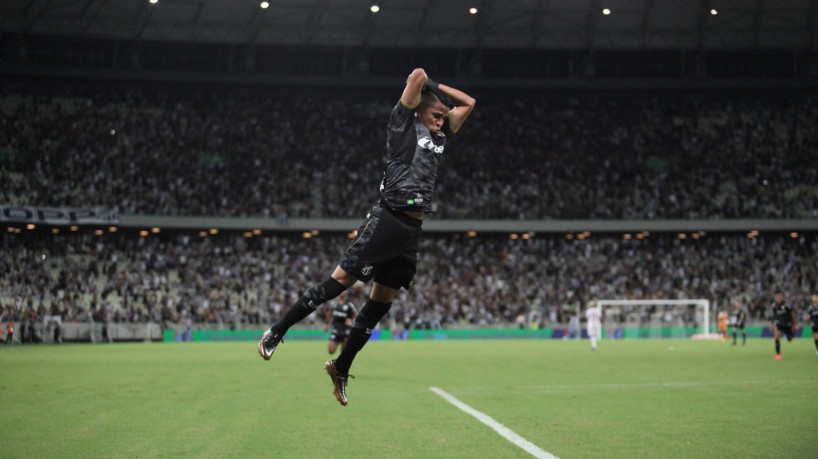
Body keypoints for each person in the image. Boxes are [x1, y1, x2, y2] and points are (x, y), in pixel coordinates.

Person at [257, 68, 476, 406]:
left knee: (380, 305)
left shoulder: (441, 133)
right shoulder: (403, 123)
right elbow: (417, 75)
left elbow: (470, 103)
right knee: (339, 283)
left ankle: (341, 368)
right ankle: (276, 331)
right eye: (436, 114)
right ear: (418, 108)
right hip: (388, 219)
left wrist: (442, 102)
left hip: (411, 232)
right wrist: (429, 89)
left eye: (443, 117)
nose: (440, 120)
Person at [323, 290, 358, 355]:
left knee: (344, 353)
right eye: (341, 290)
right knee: (331, 350)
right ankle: (337, 342)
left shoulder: (350, 304)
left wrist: (351, 321)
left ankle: (340, 363)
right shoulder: (334, 303)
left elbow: (357, 316)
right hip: (336, 328)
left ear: (346, 292)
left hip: (346, 330)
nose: (342, 292)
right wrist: (326, 324)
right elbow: (329, 314)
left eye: (344, 291)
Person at [770, 290, 796, 360]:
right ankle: (778, 354)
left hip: (788, 324)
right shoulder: (774, 306)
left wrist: (794, 325)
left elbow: (792, 315)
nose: (778, 298)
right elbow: (774, 315)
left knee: (790, 339)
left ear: (782, 297)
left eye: (779, 297)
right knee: (776, 336)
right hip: (779, 324)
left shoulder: (787, 305)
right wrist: (772, 324)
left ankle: (789, 335)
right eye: (776, 297)